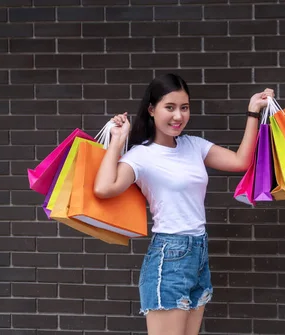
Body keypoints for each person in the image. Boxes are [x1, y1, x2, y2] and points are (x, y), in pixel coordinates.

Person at [93, 73, 274, 335]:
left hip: (198, 252)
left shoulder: (194, 146)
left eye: (184, 107)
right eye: (170, 107)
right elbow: (104, 188)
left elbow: (240, 162)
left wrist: (253, 112)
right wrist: (118, 141)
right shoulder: (141, 156)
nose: (178, 116)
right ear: (152, 110)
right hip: (170, 256)